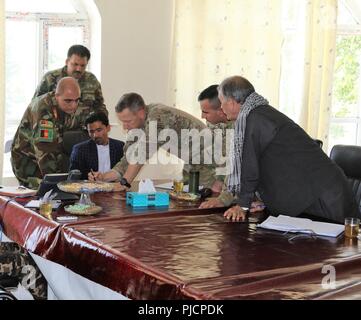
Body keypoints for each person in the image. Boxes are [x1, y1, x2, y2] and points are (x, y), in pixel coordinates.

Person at [217, 75, 360, 224]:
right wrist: (264, 200)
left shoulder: (256, 119)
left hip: (323, 197)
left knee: (336, 246)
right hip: (312, 194)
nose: (221, 108)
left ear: (232, 102)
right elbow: (273, 163)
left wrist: (243, 205)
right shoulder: (259, 113)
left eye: (222, 103)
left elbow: (250, 166)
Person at [88, 93, 218, 190]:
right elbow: (128, 159)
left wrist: (124, 183)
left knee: (207, 200)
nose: (125, 127)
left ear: (140, 113)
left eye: (127, 122)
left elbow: (142, 154)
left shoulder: (158, 116)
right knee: (183, 198)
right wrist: (104, 177)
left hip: (209, 159)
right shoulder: (137, 125)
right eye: (123, 122)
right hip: (192, 163)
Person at [11, 77, 84, 189]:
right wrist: (60, 184)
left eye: (77, 100)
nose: (74, 105)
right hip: (28, 163)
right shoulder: (43, 111)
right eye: (68, 101)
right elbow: (45, 151)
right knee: (43, 196)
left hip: (49, 157)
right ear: (56, 95)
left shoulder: (64, 105)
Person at [33, 44, 107, 116]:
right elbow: (35, 105)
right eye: (75, 64)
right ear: (67, 61)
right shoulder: (50, 78)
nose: (79, 69)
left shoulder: (91, 80)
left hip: (83, 127)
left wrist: (102, 121)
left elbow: (100, 106)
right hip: (55, 126)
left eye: (83, 65)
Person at [198, 84, 234, 197]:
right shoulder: (214, 124)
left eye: (206, 112)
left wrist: (219, 182)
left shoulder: (239, 127)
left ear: (221, 110)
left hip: (233, 189)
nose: (202, 116)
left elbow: (231, 161)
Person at [69, 112, 125, 179]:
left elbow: (125, 172)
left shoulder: (120, 147)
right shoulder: (80, 149)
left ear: (108, 128)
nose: (95, 135)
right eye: (91, 132)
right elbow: (73, 176)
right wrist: (88, 177)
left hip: (115, 187)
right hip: (89, 187)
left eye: (99, 130)